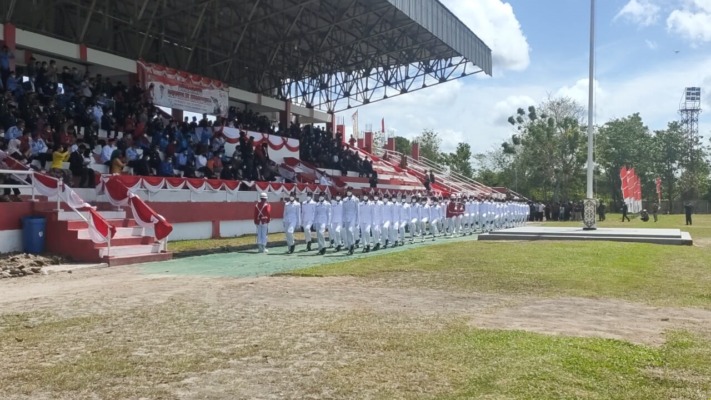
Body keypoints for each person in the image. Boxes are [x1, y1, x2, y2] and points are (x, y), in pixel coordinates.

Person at [342, 188, 359, 255]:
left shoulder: (355, 200)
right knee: (347, 233)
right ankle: (350, 248)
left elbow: (358, 211)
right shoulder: (344, 200)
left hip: (353, 218)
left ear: (352, 192)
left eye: (350, 191)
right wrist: (343, 220)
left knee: (350, 231)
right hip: (346, 218)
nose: (348, 192)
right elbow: (343, 211)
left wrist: (357, 221)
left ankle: (352, 245)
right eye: (347, 191)